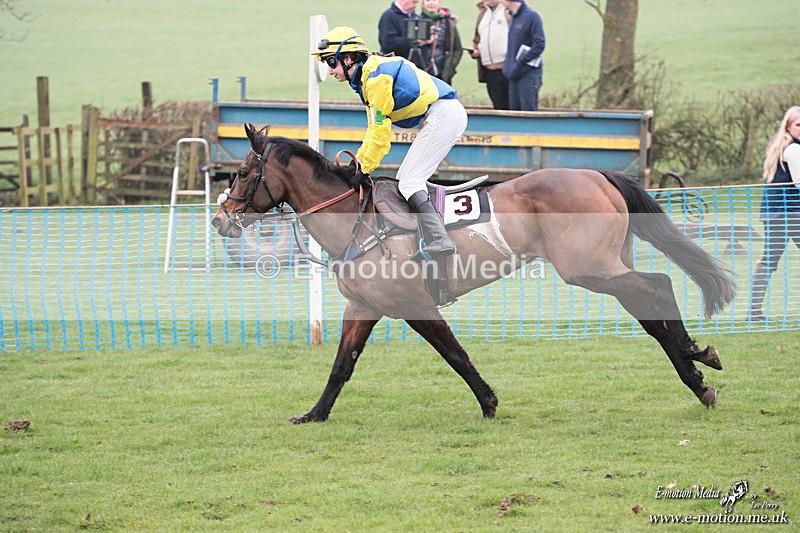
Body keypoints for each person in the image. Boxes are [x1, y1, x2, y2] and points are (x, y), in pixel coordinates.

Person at [312, 26, 468, 256]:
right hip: (441, 114)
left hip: (444, 115)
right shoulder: (368, 76)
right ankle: (429, 235)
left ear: (347, 58)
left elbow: (380, 132)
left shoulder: (375, 78)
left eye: (331, 62)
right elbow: (373, 130)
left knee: (409, 183)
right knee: (404, 179)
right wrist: (359, 164)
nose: (330, 71)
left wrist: (362, 168)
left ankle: (441, 239)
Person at [748, 106, 800, 321]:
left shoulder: (780, 148)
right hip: (791, 214)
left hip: (774, 214)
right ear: (788, 126)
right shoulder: (794, 150)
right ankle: (754, 312)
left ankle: (754, 312)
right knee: (769, 260)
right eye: (798, 125)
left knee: (768, 260)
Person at [499, 0, 545, 111]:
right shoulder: (513, 17)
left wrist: (520, 61)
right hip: (514, 74)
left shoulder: (532, 16)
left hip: (528, 73)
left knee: (528, 113)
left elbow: (539, 45)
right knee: (514, 114)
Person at [470, 0, 510, 110]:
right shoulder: (483, 13)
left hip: (508, 70)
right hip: (489, 71)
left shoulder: (508, 10)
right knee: (498, 108)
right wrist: (476, 51)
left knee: (513, 108)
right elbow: (478, 39)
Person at [419, 0, 464, 85]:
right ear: (423, 4)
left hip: (443, 76)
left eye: (434, 0)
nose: (431, 3)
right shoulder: (415, 21)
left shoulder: (449, 23)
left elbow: (458, 49)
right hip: (421, 77)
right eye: (428, 0)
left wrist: (450, 68)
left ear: (439, 3)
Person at [379, 0, 428, 69]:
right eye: (414, 2)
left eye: (417, 2)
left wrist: (427, 41)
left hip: (413, 68)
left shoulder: (415, 16)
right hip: (394, 67)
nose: (416, 5)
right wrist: (415, 41)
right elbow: (388, 43)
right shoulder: (388, 16)